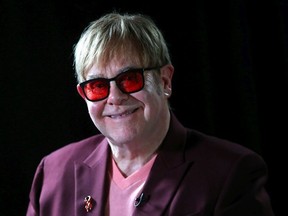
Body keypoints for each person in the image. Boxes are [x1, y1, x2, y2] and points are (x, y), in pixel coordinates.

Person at [26, 12, 275, 216]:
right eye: (98, 85)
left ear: (165, 81)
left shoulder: (231, 174)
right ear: (85, 95)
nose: (114, 97)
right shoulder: (53, 172)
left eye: (130, 79)